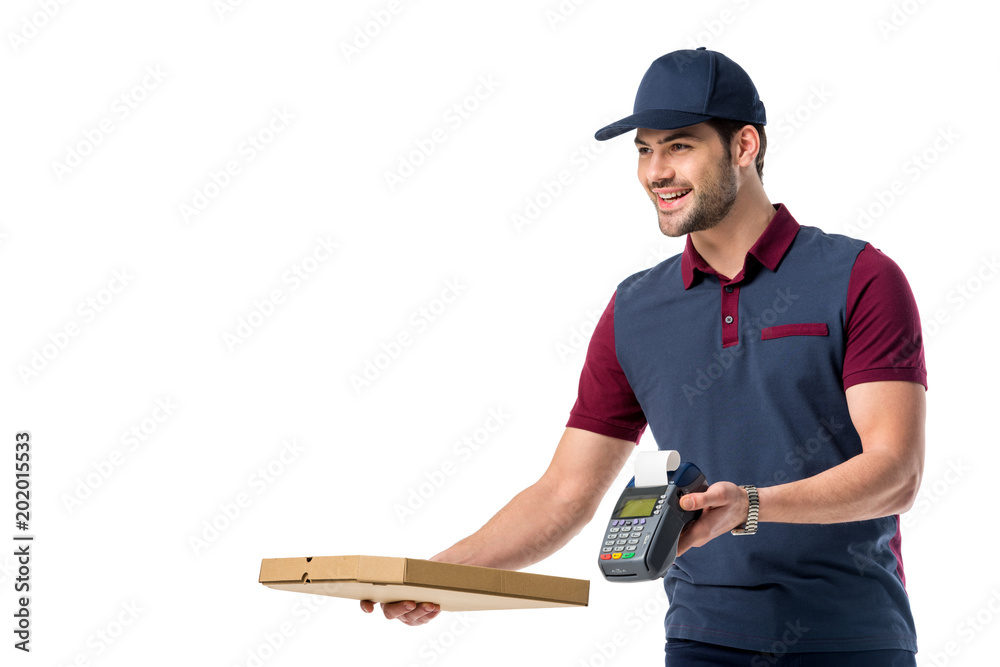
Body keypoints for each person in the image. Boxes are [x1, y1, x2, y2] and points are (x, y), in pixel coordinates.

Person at [362, 47, 926, 667]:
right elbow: (564, 493)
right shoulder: (636, 309)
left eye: (679, 146)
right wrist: (439, 573)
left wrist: (753, 506)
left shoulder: (858, 277)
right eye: (643, 150)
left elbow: (895, 472)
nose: (656, 171)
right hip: (701, 643)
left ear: (743, 146)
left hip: (851, 642)